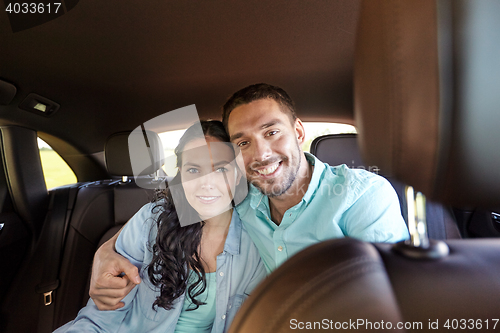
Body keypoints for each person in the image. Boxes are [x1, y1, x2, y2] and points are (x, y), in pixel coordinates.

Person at [89, 83, 409, 310]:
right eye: (243, 143)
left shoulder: (361, 195)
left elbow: (397, 296)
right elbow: (167, 211)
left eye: (271, 132)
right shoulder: (239, 196)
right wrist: (105, 253)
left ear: (298, 132)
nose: (261, 154)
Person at [54, 120, 265, 332]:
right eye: (193, 170)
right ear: (180, 174)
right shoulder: (151, 222)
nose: (206, 183)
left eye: (220, 169)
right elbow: (102, 317)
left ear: (237, 175)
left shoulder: (257, 238)